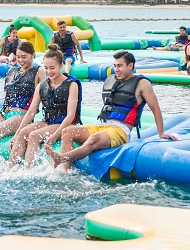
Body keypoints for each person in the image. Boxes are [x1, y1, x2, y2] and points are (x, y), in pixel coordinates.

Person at [45, 51, 177, 171]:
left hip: (120, 131)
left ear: (130, 66)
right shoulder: (113, 80)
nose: (116, 69)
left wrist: (161, 133)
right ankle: (64, 173)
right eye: (115, 66)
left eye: (120, 66)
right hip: (103, 126)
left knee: (94, 138)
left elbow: (155, 109)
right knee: (67, 131)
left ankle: (61, 158)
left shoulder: (142, 84)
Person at [9, 46, 81, 167]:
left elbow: (71, 115)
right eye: (46, 68)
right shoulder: (42, 86)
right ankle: (10, 170)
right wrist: (16, 134)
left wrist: (55, 136)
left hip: (65, 124)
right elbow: (31, 111)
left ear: (61, 65)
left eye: (52, 68)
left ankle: (28, 171)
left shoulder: (72, 85)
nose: (49, 72)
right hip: (48, 122)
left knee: (34, 135)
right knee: (23, 133)